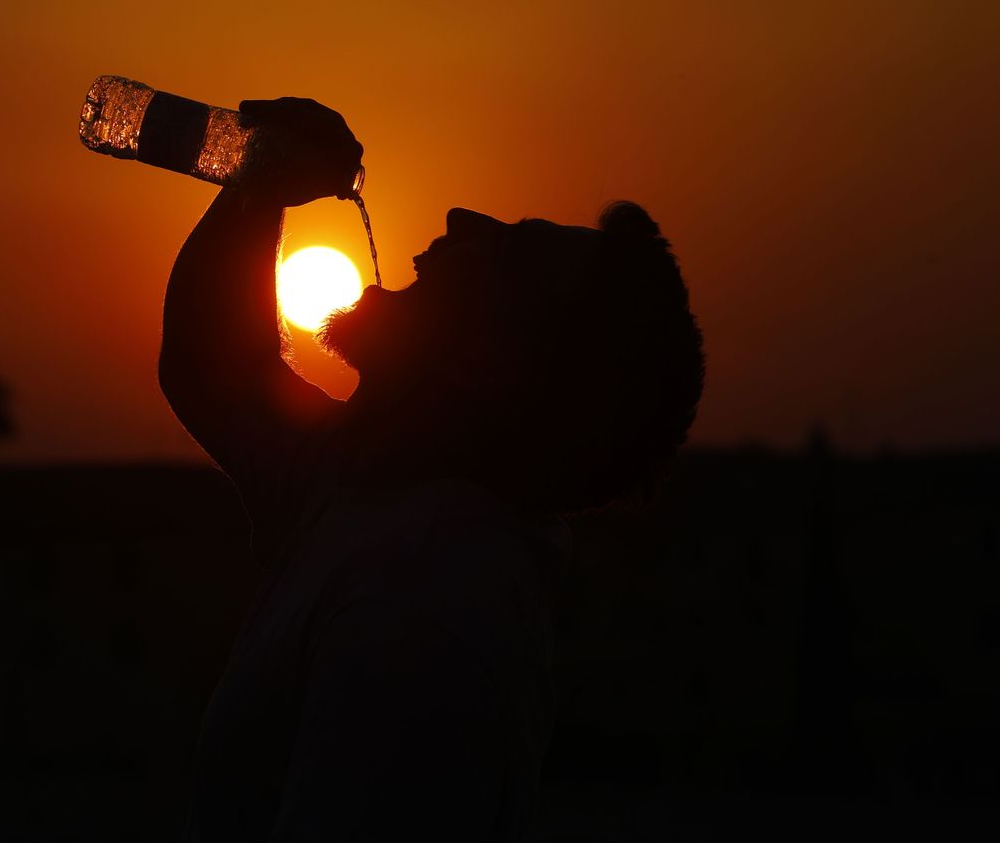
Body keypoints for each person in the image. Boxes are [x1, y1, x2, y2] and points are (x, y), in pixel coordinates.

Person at [161, 97, 704, 841]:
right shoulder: (371, 493)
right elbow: (212, 365)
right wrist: (259, 184)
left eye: (506, 250)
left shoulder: (427, 602)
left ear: (498, 363)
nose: (458, 219)